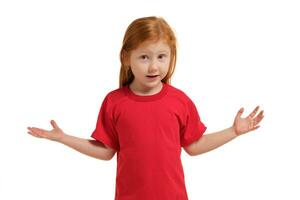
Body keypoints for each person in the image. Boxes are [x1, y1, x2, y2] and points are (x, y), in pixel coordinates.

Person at [27, 16, 264, 200]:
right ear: (126, 57)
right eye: (144, 57)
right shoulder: (114, 102)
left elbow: (193, 146)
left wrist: (233, 132)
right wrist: (63, 138)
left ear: (172, 57)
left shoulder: (180, 101)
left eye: (162, 56)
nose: (153, 66)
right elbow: (106, 151)